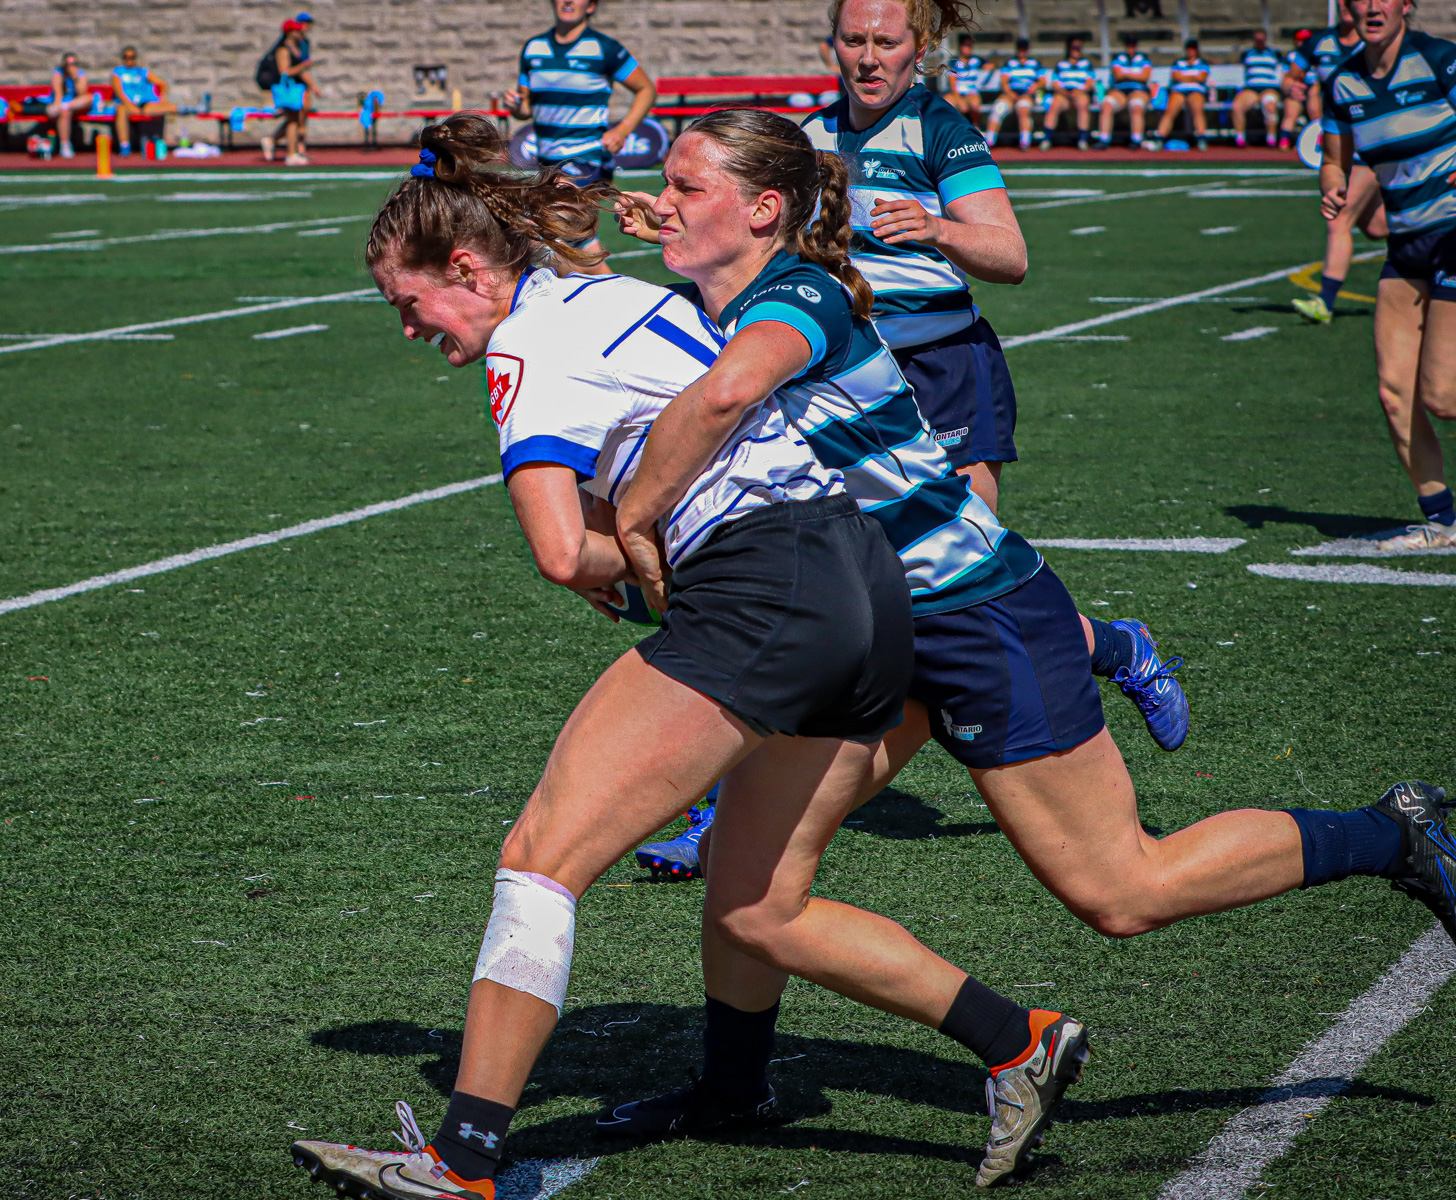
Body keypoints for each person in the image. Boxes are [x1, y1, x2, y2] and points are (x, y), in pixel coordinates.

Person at [602, 94, 1456, 1200]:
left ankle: (1392, 836)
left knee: (1120, 892)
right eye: (661, 185)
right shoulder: (711, 294)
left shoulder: (796, 294)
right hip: (866, 626)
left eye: (686, 186)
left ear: (764, 209)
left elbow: (724, 398)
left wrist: (628, 522)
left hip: (975, 615)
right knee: (748, 881)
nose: (661, 203)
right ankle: (736, 1091)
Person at [289, 112, 918, 1200]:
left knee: (543, 852)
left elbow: (557, 552)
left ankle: (466, 1155)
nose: (409, 328)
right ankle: (1008, 1039)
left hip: (770, 581)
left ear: (471, 268)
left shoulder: (525, 353)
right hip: (864, 569)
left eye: (412, 302)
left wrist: (629, 564)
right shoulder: (609, 290)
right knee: (752, 887)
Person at [799, 0, 1190, 752]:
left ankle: (1113, 652)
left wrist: (938, 227)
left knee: (960, 570)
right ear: (833, 47)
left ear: (921, 48)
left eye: (887, 41)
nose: (870, 57)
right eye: (855, 40)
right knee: (845, 574)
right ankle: (748, 797)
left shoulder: (942, 131)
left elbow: (1010, 256)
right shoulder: (810, 137)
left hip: (945, 369)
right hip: (851, 378)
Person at [1318, 0, 1456, 551]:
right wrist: (1332, 184)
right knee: (1395, 393)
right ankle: (1443, 521)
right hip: (1406, 246)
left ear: (1406, 5)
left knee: (1443, 396)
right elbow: (1336, 158)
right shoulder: (1344, 81)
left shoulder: (1441, 60)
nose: (1372, 6)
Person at [503, 0, 657, 274]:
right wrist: (517, 106)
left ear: (591, 6)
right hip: (548, 161)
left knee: (535, 230)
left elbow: (645, 89)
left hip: (585, 157)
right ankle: (614, 297)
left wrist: (622, 130)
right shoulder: (533, 48)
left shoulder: (604, 48)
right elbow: (526, 108)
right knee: (579, 244)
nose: (568, 1)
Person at [1295, 0, 1389, 324]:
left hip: (1371, 147)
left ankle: (1325, 302)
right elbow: (1292, 77)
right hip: (1341, 137)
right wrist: (1293, 87)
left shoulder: (1382, 46)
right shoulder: (1321, 45)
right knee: (1379, 227)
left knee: (1339, 219)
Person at [269, 18, 322, 165]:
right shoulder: (283, 49)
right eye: (297, 30)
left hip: (295, 90)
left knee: (294, 121)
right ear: (290, 32)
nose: (301, 32)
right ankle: (290, 153)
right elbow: (284, 72)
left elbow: (300, 70)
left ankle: (292, 153)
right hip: (287, 90)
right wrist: (303, 65)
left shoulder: (296, 48)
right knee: (292, 120)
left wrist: (312, 86)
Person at [110, 46, 177, 156]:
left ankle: (195, 110)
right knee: (121, 110)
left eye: (132, 57)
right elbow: (119, 92)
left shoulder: (142, 72)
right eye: (126, 57)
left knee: (172, 107)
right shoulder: (118, 72)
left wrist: (162, 98)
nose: (129, 60)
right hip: (127, 105)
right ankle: (125, 145)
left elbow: (162, 84)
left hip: (145, 105)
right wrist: (129, 105)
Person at [1232, 28, 1286, 148]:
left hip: (1269, 87)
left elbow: (1283, 68)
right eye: (1257, 39)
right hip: (1251, 88)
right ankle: (1240, 138)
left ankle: (1271, 138)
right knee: (1237, 106)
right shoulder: (1247, 53)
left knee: (1269, 104)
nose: (1260, 42)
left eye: (1262, 39)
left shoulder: (1274, 53)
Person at [986, 37, 1043, 150]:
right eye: (1020, 49)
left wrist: (1035, 87)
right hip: (1010, 94)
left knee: (1023, 108)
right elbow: (1004, 82)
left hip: (1026, 94)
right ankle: (989, 141)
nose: (1022, 52)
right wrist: (1010, 93)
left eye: (1024, 49)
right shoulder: (1010, 64)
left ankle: (1024, 141)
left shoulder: (1035, 64)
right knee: (998, 108)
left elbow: (1042, 80)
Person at [1155, 38, 1212, 150]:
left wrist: (1184, 77)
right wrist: (1193, 77)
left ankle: (1201, 138)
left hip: (1196, 91)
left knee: (1197, 109)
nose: (1190, 51)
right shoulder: (1178, 62)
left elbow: (1201, 77)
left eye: (1193, 49)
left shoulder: (1202, 62)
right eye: (1189, 49)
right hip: (1179, 91)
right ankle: (1160, 137)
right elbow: (1175, 76)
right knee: (1170, 112)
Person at [1100, 34, 1154, 148]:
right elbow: (1118, 75)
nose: (1131, 48)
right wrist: (1136, 74)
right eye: (1128, 45)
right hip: (1120, 91)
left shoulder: (1143, 58)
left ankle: (1136, 139)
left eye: (1133, 45)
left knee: (1136, 105)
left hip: (1138, 90)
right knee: (1107, 104)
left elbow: (1145, 77)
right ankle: (1104, 139)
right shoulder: (1118, 58)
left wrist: (1126, 74)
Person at [1043, 36, 1098, 149]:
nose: (1076, 50)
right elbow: (1056, 84)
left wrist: (1078, 92)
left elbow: (1089, 83)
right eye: (1074, 47)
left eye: (1078, 47)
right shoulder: (1061, 65)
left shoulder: (1086, 64)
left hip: (1080, 94)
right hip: (1064, 95)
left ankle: (1082, 139)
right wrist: (1065, 93)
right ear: (1069, 48)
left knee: (1083, 102)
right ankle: (1047, 139)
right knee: (1055, 103)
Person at [47, 53, 93, 159]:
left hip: (76, 105)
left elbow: (82, 94)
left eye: (73, 64)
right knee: (65, 112)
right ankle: (65, 145)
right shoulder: (58, 74)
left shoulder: (80, 74)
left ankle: (66, 106)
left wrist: (75, 78)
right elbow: (58, 93)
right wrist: (58, 106)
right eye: (68, 64)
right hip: (61, 106)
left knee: (90, 97)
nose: (71, 67)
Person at [945, 33, 988, 127]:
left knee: (974, 103)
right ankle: (955, 129)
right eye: (966, 45)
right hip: (957, 92)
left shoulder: (976, 60)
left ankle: (976, 128)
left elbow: (991, 64)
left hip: (971, 92)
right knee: (949, 103)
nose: (969, 48)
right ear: (961, 47)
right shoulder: (954, 62)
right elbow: (952, 83)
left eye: (970, 46)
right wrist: (959, 99)